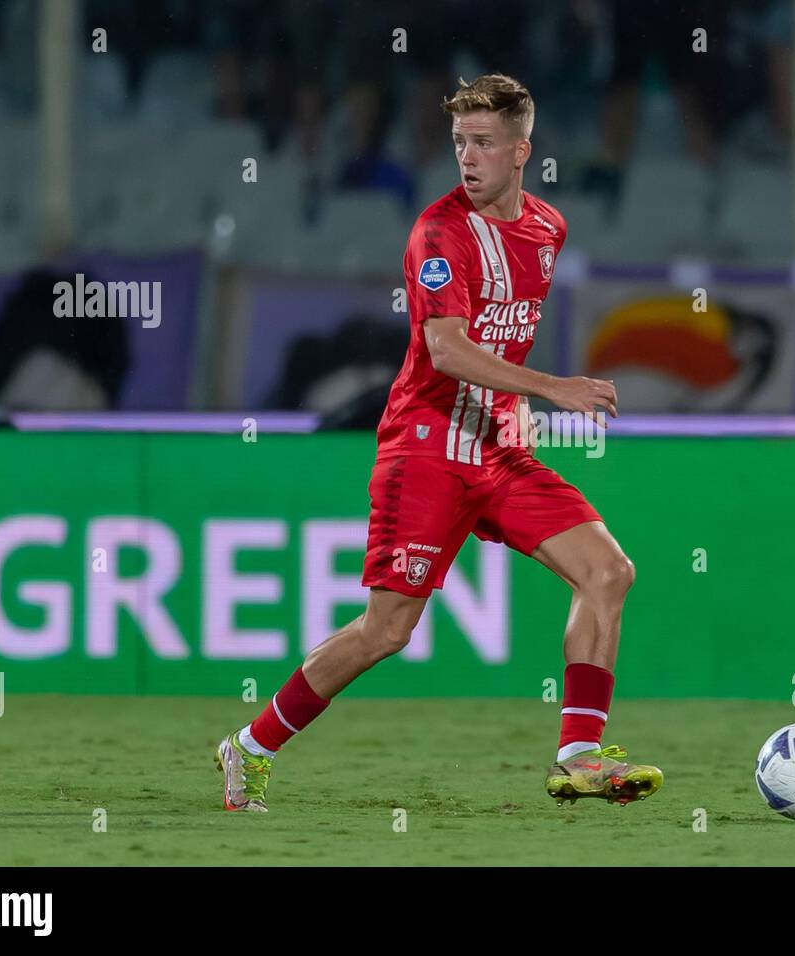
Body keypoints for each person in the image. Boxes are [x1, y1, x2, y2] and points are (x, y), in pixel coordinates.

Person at [214, 74, 662, 812]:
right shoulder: (437, 232)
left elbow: (501, 331)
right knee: (387, 630)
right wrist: (554, 388)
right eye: (459, 142)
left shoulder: (548, 227)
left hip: (500, 449)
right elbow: (447, 351)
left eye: (483, 142)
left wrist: (519, 411)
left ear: (523, 150)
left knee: (609, 571)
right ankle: (251, 745)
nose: (468, 156)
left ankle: (579, 754)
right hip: (425, 449)